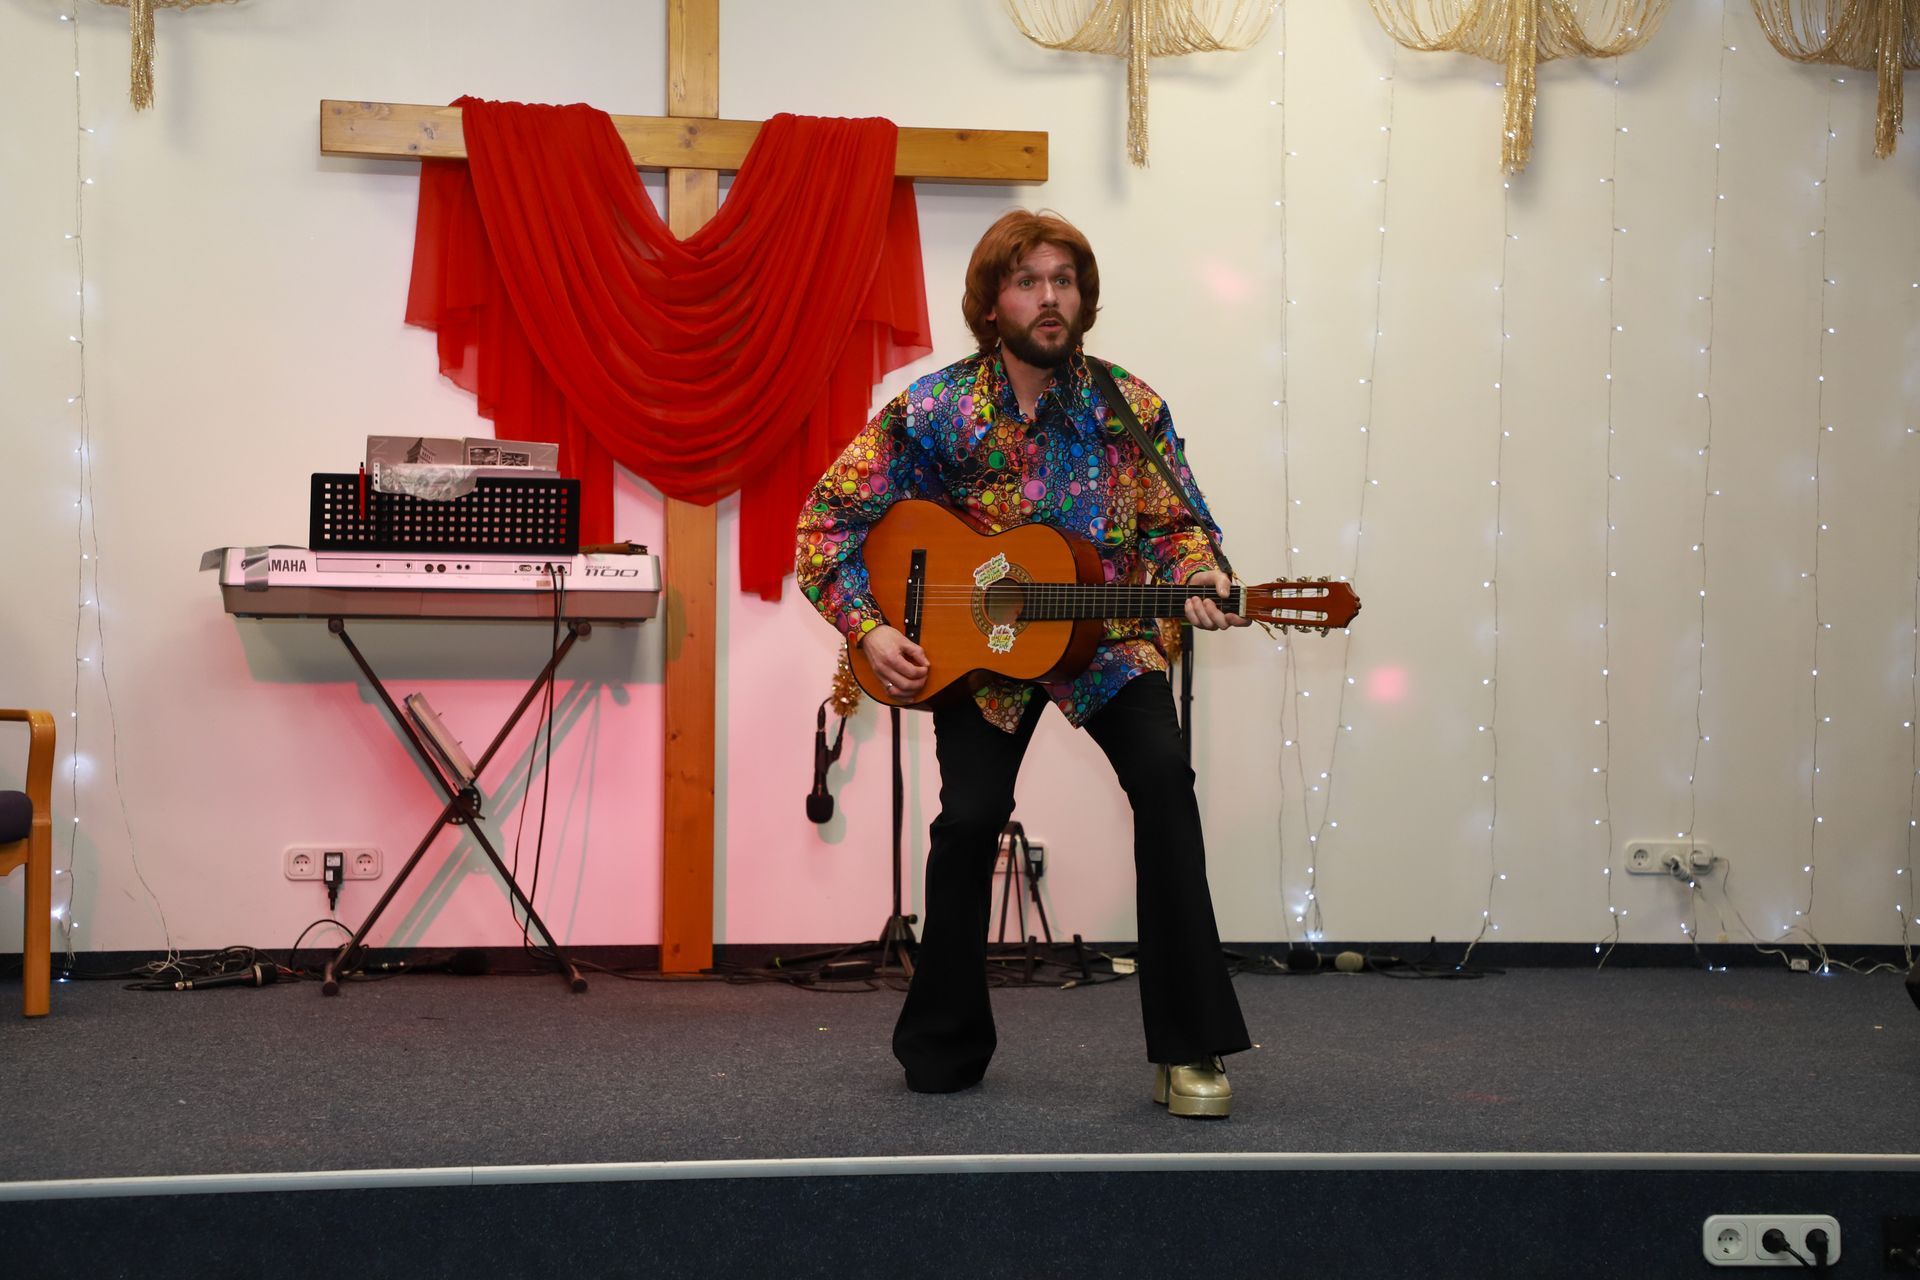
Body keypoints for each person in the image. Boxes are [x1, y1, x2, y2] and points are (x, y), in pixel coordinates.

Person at [794, 209, 1251, 1118]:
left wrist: (1200, 574)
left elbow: (1178, 525)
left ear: (1084, 298)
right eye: (1029, 281)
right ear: (991, 302)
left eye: (1064, 282)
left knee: (1166, 784)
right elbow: (825, 525)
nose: (1050, 298)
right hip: (981, 655)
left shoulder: (1129, 406)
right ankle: (945, 1040)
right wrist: (870, 628)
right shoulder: (936, 409)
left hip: (1105, 638)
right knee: (967, 823)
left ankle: (1189, 1049)